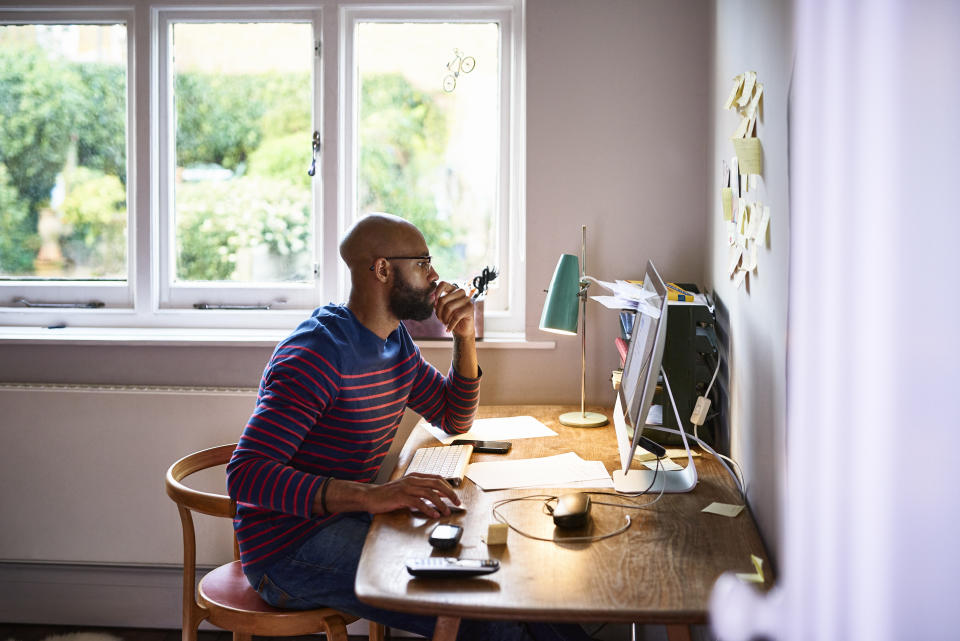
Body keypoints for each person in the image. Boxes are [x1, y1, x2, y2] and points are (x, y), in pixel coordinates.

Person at [226, 213, 591, 641]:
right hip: (288, 550)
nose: (435, 276)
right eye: (422, 263)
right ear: (382, 269)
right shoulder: (317, 355)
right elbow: (245, 475)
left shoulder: (394, 342)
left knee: (519, 584)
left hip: (348, 520)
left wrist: (465, 336)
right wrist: (373, 495)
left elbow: (454, 418)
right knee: (486, 614)